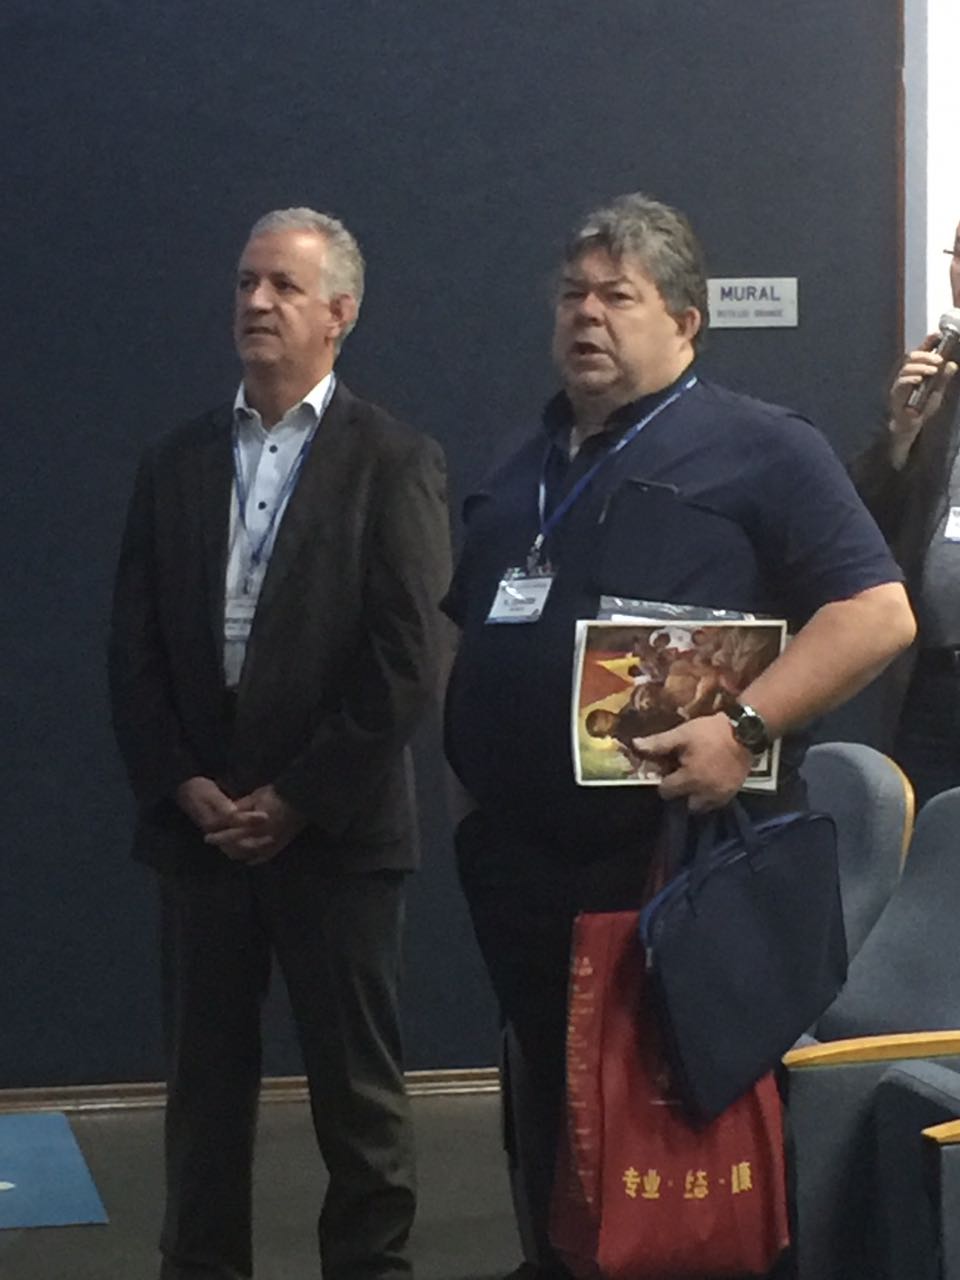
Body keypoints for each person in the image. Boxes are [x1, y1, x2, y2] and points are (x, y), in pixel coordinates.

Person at [442, 193, 915, 1280]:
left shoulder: (763, 447)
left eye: (618, 296)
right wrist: (465, 795)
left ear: (688, 322)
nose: (586, 315)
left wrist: (744, 725)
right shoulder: (525, 461)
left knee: (678, 1141)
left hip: (672, 869)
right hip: (520, 868)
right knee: (556, 1120)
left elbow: (877, 613)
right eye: (573, 295)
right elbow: (466, 631)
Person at [108, 207, 451, 1280]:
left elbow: (410, 657)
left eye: (284, 287)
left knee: (359, 1099)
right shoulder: (174, 462)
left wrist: (299, 796)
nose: (256, 302)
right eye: (247, 283)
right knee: (202, 1094)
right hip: (203, 833)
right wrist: (183, 780)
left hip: (337, 834)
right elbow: (133, 651)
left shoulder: (394, 460)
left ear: (339, 313)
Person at [849, 218, 960, 807]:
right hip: (936, 685)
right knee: (928, 848)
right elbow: (864, 526)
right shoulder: (934, 383)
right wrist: (902, 433)